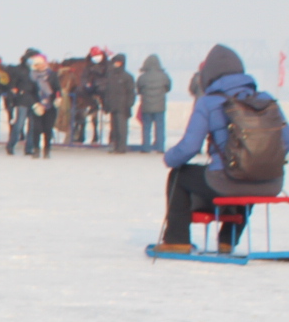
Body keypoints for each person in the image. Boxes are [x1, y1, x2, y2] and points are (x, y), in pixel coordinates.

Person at [153, 45, 285, 255]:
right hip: (269, 184)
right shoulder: (266, 100)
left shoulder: (209, 102)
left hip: (226, 181)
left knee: (179, 175)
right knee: (252, 168)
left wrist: (170, 158)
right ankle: (227, 240)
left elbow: (189, 147)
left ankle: (176, 240)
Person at [101, 53, 136, 153]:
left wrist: (129, 104)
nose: (116, 64)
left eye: (119, 62)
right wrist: (106, 104)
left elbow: (131, 92)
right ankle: (116, 147)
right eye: (115, 62)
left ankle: (122, 147)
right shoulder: (110, 76)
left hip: (123, 107)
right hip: (113, 106)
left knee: (122, 129)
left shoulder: (128, 77)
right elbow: (107, 92)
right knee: (114, 128)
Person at [24, 53, 57, 157]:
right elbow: (28, 92)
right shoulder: (31, 76)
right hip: (37, 106)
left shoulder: (52, 75)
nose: (40, 66)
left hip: (50, 106)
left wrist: (58, 98)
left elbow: (57, 89)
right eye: (38, 64)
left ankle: (47, 150)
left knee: (48, 128)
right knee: (36, 129)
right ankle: (36, 149)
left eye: (42, 64)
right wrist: (35, 104)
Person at [137, 54, 171, 151]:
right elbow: (168, 88)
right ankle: (160, 148)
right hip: (160, 106)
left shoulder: (142, 77)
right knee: (160, 128)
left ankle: (146, 147)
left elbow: (139, 90)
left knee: (146, 128)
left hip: (146, 106)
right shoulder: (164, 76)